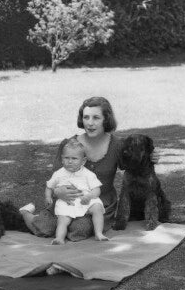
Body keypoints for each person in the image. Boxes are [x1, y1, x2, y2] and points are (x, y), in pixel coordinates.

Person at [20, 96, 123, 242]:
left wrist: (153, 157)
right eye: (86, 117)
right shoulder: (69, 145)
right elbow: (57, 178)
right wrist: (57, 192)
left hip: (97, 203)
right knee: (45, 228)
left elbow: (135, 164)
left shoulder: (117, 145)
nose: (90, 123)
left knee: (79, 230)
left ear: (106, 119)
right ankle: (25, 212)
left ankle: (67, 229)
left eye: (96, 118)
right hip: (67, 201)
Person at [44, 138, 108, 244]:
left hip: (85, 200)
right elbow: (49, 186)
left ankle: (99, 233)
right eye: (66, 158)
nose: (70, 161)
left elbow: (97, 189)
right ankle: (59, 238)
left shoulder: (88, 174)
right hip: (67, 202)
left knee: (97, 207)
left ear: (83, 161)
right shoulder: (58, 174)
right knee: (62, 220)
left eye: (74, 158)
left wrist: (90, 196)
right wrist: (48, 197)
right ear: (62, 159)